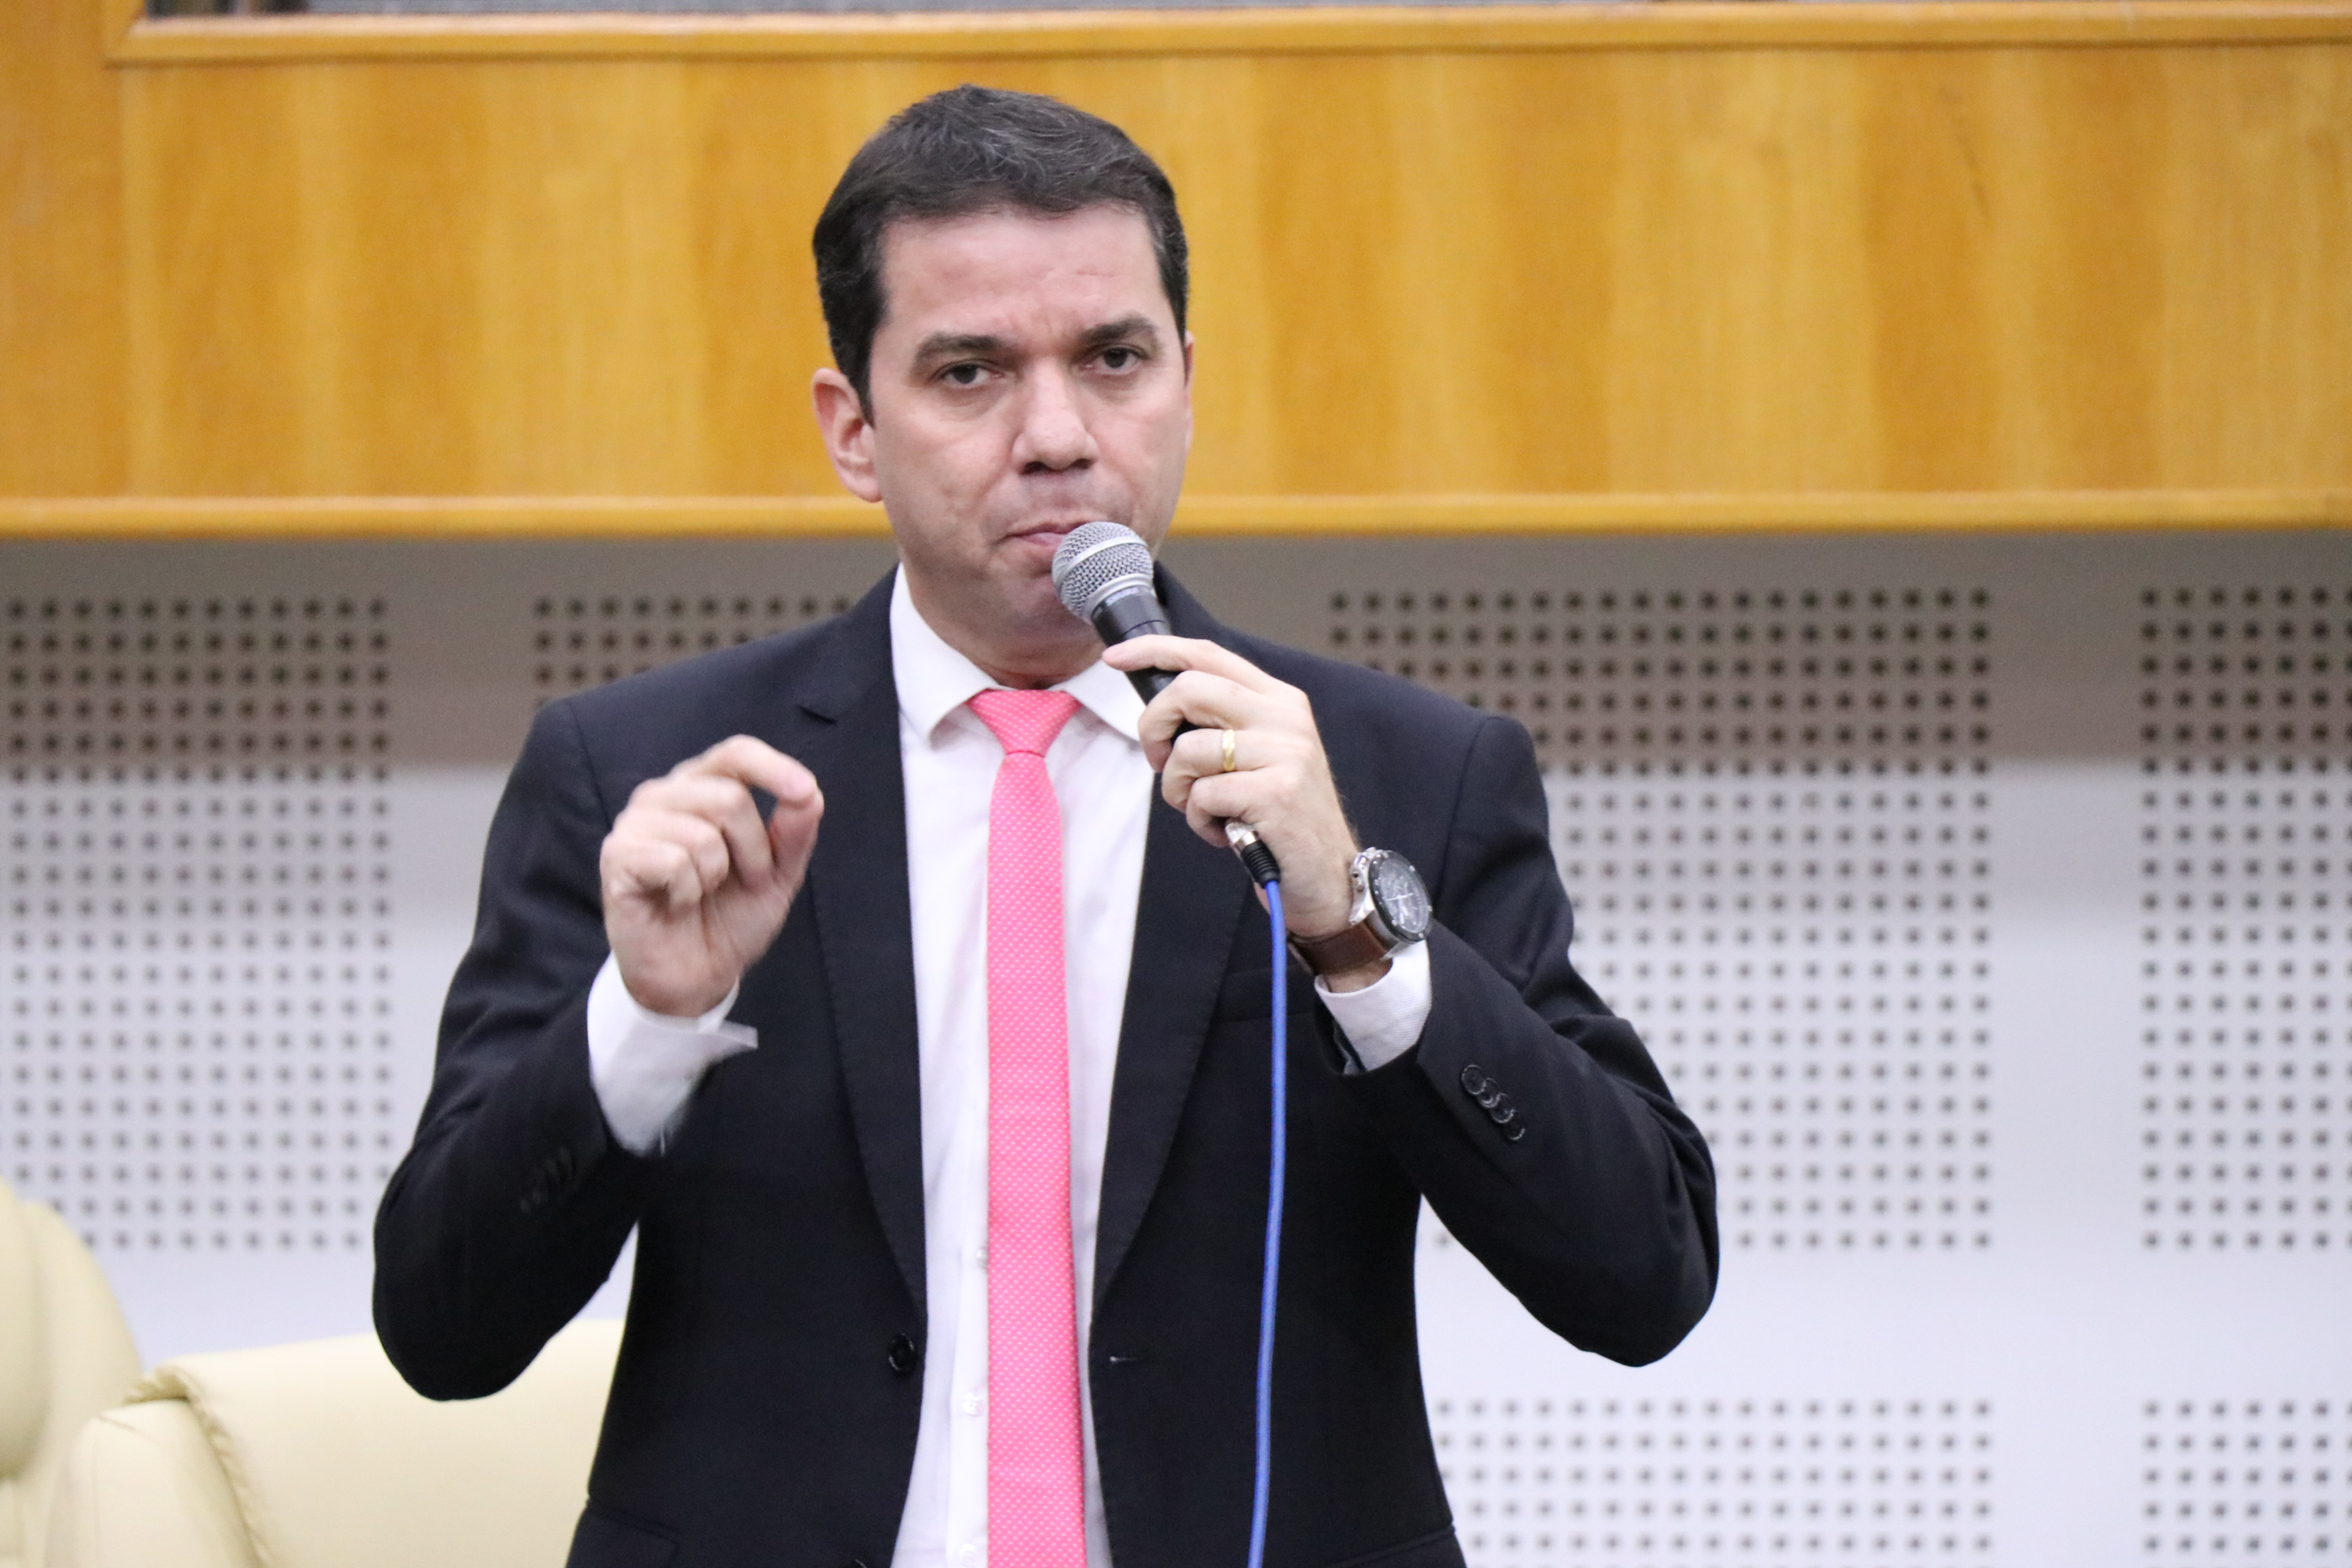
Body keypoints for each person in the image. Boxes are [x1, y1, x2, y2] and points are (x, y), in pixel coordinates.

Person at [374, 85, 1717, 1568]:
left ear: (1187, 384)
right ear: (853, 432)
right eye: (971, 373)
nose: (1060, 437)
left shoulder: (1396, 778)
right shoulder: (653, 780)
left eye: (1114, 360)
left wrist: (1360, 938)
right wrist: (644, 1024)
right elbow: (443, 1329)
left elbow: (1642, 1281)